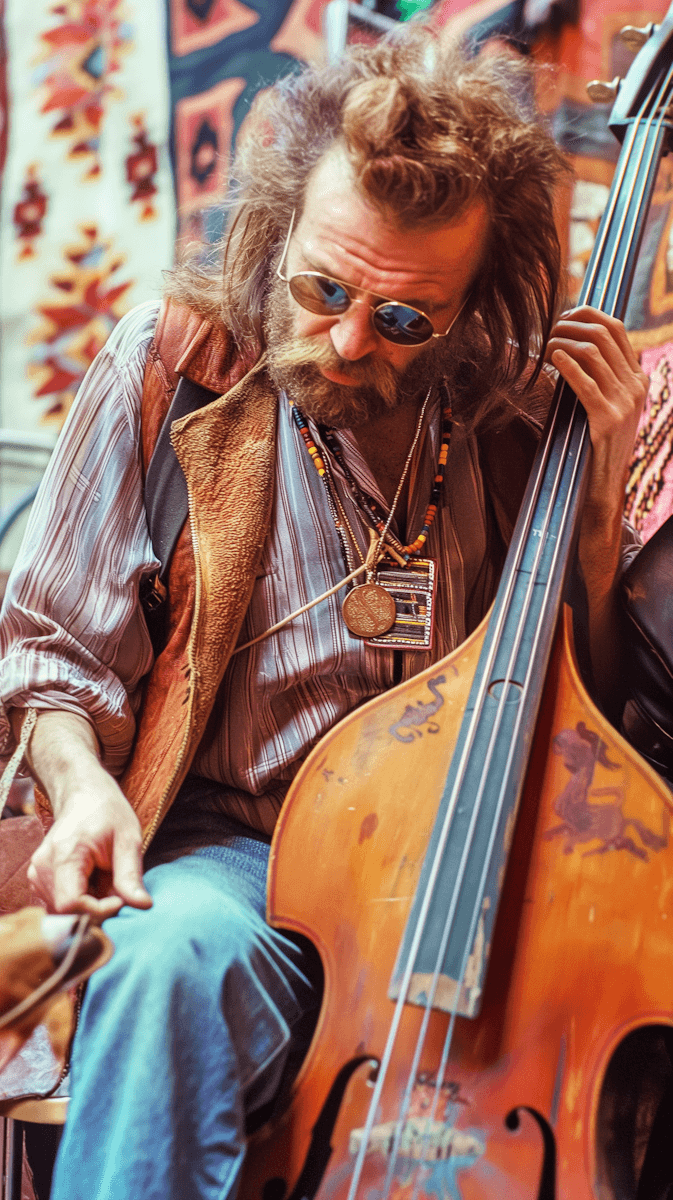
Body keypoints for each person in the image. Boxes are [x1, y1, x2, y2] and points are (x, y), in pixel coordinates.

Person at [0, 30, 647, 1200]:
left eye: (406, 319)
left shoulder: (509, 416)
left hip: (460, 864)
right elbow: (51, 656)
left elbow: (592, 725)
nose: (350, 341)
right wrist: (82, 783)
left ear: (471, 304)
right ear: (275, 232)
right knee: (165, 963)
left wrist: (592, 520)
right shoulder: (173, 362)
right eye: (324, 289)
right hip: (233, 855)